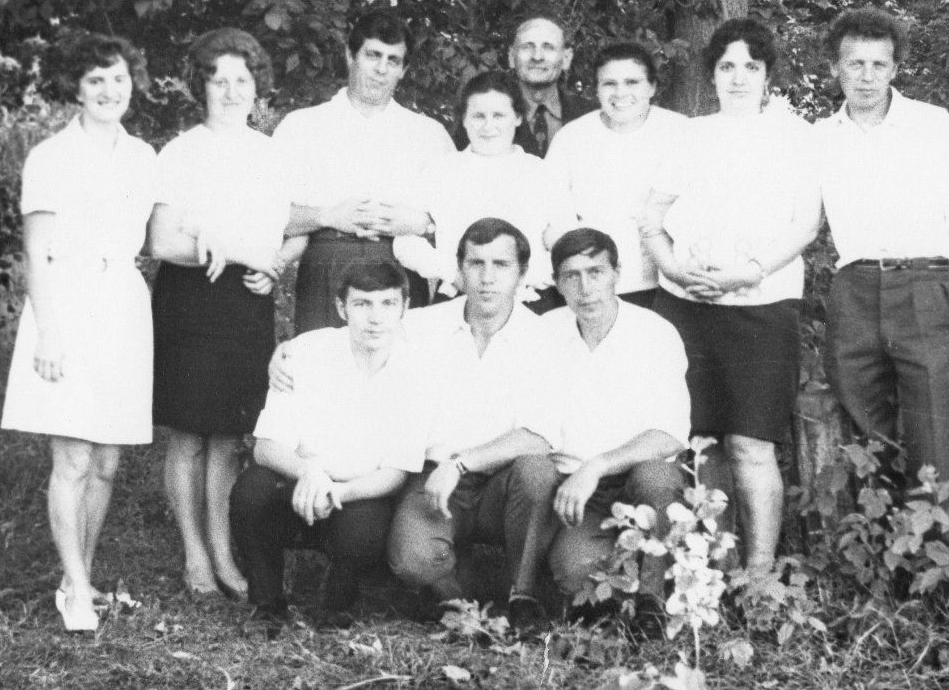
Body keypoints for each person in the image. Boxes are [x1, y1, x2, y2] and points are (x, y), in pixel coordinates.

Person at [642, 18, 821, 573]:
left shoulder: (796, 137)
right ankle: (696, 569)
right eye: (726, 66)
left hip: (761, 311)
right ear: (712, 74)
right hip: (685, 309)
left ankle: (759, 573)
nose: (738, 77)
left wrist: (748, 273)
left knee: (750, 445)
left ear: (767, 75)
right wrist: (674, 270)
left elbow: (806, 225)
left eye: (751, 66)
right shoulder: (689, 135)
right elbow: (652, 219)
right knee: (688, 442)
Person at [815, 7, 949, 485]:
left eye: (878, 64)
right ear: (835, 68)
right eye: (855, 64)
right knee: (863, 430)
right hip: (854, 292)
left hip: (923, 286)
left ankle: (939, 528)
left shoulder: (930, 124)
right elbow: (797, 218)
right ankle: (880, 529)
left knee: (934, 429)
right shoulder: (818, 138)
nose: (866, 77)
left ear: (895, 69)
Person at [0, 34, 156, 632]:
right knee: (73, 457)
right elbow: (35, 253)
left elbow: (159, 232)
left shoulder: (142, 155)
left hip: (122, 305)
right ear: (76, 88)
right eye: (95, 80)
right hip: (66, 304)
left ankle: (77, 579)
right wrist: (48, 333)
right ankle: (80, 590)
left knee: (108, 461)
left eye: (118, 78)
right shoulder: (50, 157)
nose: (109, 91)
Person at [148, 28, 292, 600]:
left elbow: (278, 235)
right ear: (200, 86)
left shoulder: (270, 153)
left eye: (242, 80)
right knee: (188, 434)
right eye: (218, 80)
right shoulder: (181, 152)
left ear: (258, 87)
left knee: (229, 435)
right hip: (190, 298)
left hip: (245, 301)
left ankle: (224, 551)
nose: (231, 92)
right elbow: (163, 241)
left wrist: (270, 266)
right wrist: (236, 250)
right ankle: (194, 554)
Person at [231, 262, 428, 634]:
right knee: (251, 491)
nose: (375, 318)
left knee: (363, 531)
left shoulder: (417, 371)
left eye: (387, 304)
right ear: (341, 308)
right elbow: (266, 446)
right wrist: (310, 472)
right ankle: (267, 604)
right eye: (362, 304)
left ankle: (337, 607)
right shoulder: (307, 351)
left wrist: (338, 492)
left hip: (360, 493)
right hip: (301, 480)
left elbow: (395, 473)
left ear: (404, 307)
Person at [386, 218, 559, 630]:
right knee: (412, 559)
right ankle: (461, 602)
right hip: (436, 480)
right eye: (476, 263)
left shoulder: (542, 338)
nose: (487, 277)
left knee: (537, 472)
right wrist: (290, 353)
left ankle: (522, 595)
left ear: (522, 272)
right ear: (460, 268)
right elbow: (357, 338)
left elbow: (540, 436)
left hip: (505, 484)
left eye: (501, 264)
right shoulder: (422, 326)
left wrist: (461, 463)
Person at [515, 228, 690, 633]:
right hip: (577, 491)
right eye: (571, 276)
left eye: (595, 272)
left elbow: (669, 434)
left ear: (617, 273)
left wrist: (596, 466)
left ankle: (651, 604)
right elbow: (533, 425)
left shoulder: (654, 332)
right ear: (557, 283)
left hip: (639, 483)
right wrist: (580, 474)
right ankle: (608, 590)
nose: (585, 287)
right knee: (577, 575)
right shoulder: (544, 333)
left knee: (658, 476)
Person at [272, 11, 454, 333]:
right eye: (372, 55)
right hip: (327, 263)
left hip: (400, 267)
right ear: (350, 55)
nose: (381, 69)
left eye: (393, 60)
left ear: (403, 70)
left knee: (401, 364)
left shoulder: (429, 134)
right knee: (322, 360)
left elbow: (459, 221)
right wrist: (326, 216)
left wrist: (423, 224)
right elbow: (268, 215)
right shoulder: (302, 126)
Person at [393, 73, 576, 312]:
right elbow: (405, 241)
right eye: (478, 116)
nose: (488, 126)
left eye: (498, 115)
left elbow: (569, 244)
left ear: (518, 117)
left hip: (531, 302)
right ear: (464, 119)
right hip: (459, 298)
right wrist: (453, 273)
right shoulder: (440, 171)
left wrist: (527, 276)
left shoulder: (543, 173)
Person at [545, 42, 690, 308]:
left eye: (632, 82)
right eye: (609, 83)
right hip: (590, 287)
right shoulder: (571, 138)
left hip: (667, 285)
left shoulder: (680, 131)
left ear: (652, 87)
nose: (620, 93)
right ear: (597, 89)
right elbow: (554, 219)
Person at [490, 16, 594, 157]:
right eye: (527, 47)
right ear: (511, 57)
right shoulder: (484, 118)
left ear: (566, 58)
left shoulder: (593, 117)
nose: (537, 57)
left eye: (548, 47)